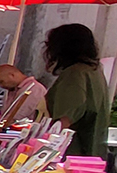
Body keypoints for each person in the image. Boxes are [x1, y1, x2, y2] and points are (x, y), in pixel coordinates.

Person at [42, 23, 111, 158]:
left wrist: (47, 149)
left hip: (72, 151)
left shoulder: (75, 73)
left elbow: (65, 119)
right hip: (92, 150)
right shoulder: (94, 70)